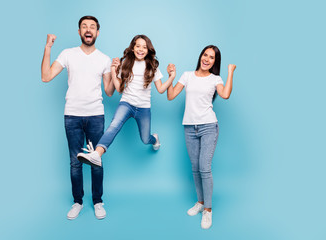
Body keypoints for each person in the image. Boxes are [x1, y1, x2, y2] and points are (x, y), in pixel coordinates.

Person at [41, 16, 115, 220]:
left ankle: (98, 201)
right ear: (79, 32)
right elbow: (46, 76)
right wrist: (48, 47)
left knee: (96, 160)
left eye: (92, 27)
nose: (88, 29)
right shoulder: (67, 54)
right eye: (84, 26)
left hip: (95, 115)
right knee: (75, 162)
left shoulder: (104, 59)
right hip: (72, 115)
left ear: (97, 32)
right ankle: (77, 202)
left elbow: (109, 92)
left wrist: (115, 71)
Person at [77, 35, 175, 167]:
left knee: (145, 139)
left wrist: (172, 77)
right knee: (114, 125)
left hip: (143, 108)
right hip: (127, 103)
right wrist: (113, 70)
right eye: (138, 46)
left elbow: (161, 89)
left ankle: (155, 138)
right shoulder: (126, 64)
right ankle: (97, 154)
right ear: (133, 48)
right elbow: (118, 88)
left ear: (148, 50)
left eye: (144, 47)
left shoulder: (152, 66)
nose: (141, 49)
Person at [167, 45, 236, 229]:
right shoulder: (187, 75)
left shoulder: (216, 79)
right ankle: (200, 202)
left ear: (215, 62)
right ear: (200, 56)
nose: (207, 59)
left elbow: (225, 94)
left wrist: (230, 72)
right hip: (189, 127)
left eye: (211, 57)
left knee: (204, 168)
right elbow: (171, 95)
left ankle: (208, 210)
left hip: (208, 126)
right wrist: (172, 76)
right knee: (195, 168)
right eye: (205, 55)